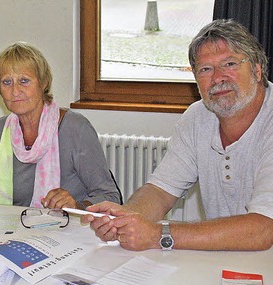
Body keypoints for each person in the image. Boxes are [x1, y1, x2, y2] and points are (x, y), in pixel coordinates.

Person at [85, 19, 273, 251]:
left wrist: (157, 235)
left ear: (257, 69)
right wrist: (124, 220)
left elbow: (264, 229)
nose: (218, 77)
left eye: (230, 64)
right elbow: (161, 191)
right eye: (205, 69)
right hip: (224, 258)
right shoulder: (197, 116)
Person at [0, 42, 121, 209]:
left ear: (44, 82)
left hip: (68, 229)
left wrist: (77, 206)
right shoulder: (2, 130)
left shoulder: (75, 128)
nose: (15, 91)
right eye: (7, 82)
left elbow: (111, 197)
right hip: (17, 229)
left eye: (24, 81)